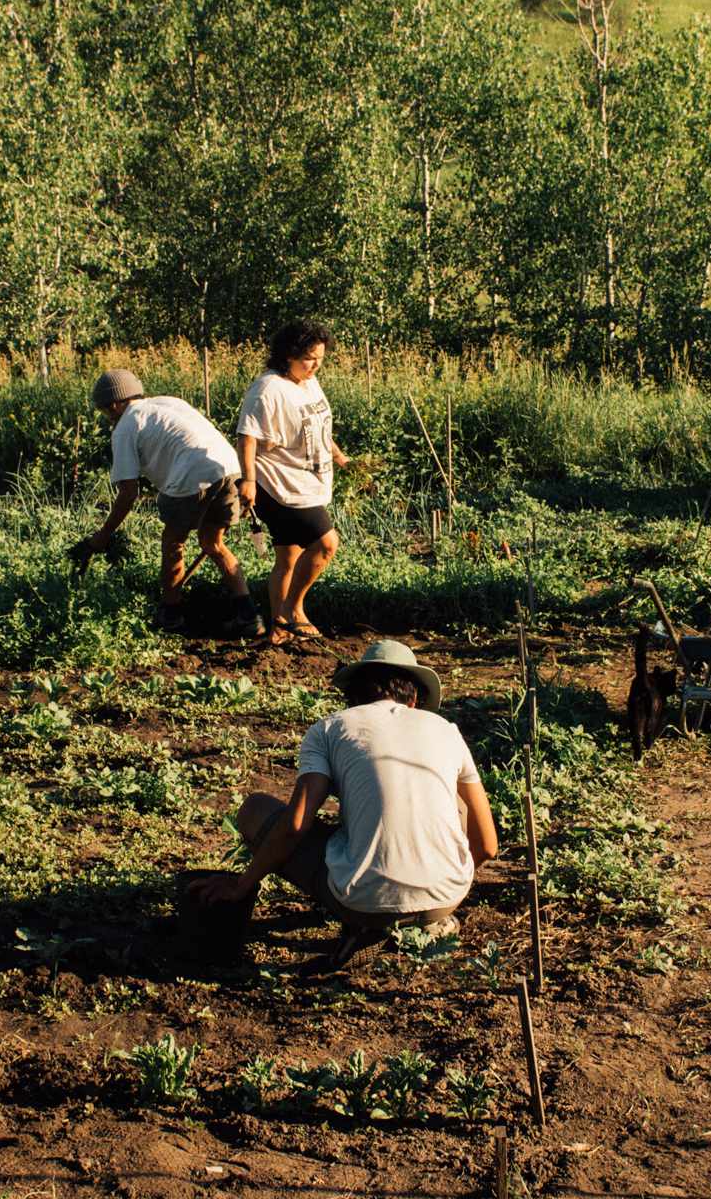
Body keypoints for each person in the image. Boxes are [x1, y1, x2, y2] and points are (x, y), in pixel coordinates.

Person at [194, 640, 501, 969]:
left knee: (255, 809)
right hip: (445, 899)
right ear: (414, 698)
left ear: (353, 696)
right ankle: (421, 922)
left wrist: (243, 884)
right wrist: (437, 883)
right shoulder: (446, 730)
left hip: (361, 901)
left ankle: (370, 922)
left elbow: (296, 824)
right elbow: (487, 844)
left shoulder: (330, 728)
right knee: (452, 801)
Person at [75, 370, 255, 630]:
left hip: (193, 474)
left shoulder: (125, 426)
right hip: (229, 468)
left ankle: (171, 614)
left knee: (173, 543)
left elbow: (128, 493)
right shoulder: (169, 402)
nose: (107, 418)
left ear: (114, 405)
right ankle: (248, 614)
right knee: (212, 542)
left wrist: (104, 534)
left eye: (105, 412)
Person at [235, 320, 340, 646]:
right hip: (279, 487)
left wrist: (339, 455)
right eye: (309, 358)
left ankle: (278, 632)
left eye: (320, 358)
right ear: (288, 354)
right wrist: (249, 481)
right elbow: (247, 437)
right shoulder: (267, 389)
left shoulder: (308, 382)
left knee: (289, 558)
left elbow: (318, 426)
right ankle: (293, 609)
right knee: (326, 544)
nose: (315, 365)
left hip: (307, 481)